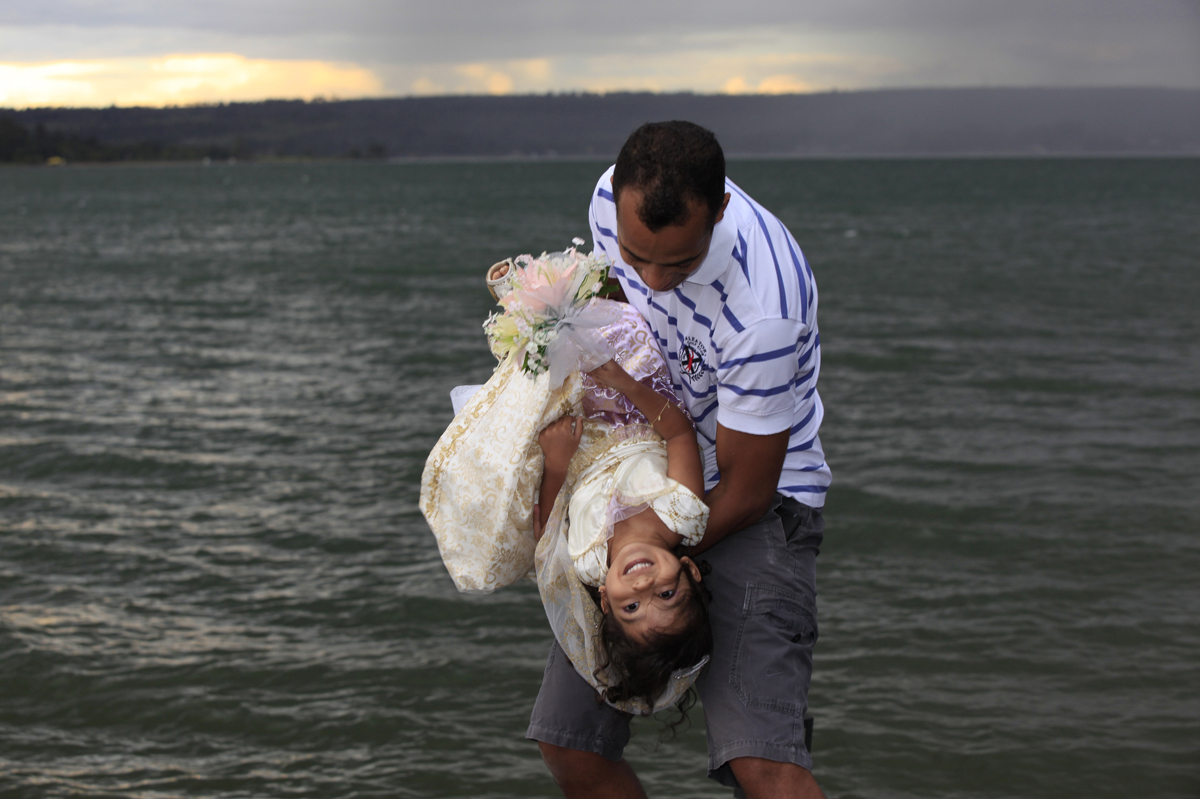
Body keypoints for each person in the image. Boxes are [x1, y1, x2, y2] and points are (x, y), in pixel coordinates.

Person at [528, 122, 831, 799]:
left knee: (761, 761)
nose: (656, 281)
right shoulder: (608, 198)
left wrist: (643, 549)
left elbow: (749, 491)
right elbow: (610, 299)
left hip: (755, 504)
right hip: (647, 476)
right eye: (640, 257)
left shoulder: (764, 312)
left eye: (680, 264)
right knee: (567, 741)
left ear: (719, 208)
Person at [421, 248, 714, 714]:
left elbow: (545, 527)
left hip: (573, 436)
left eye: (630, 608)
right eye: (666, 593)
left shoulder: (588, 558)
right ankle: (571, 289)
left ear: (604, 598)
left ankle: (520, 307)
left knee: (532, 391)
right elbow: (678, 430)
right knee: (615, 329)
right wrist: (622, 382)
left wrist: (557, 462)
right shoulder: (681, 513)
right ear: (690, 572)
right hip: (633, 400)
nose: (641, 587)